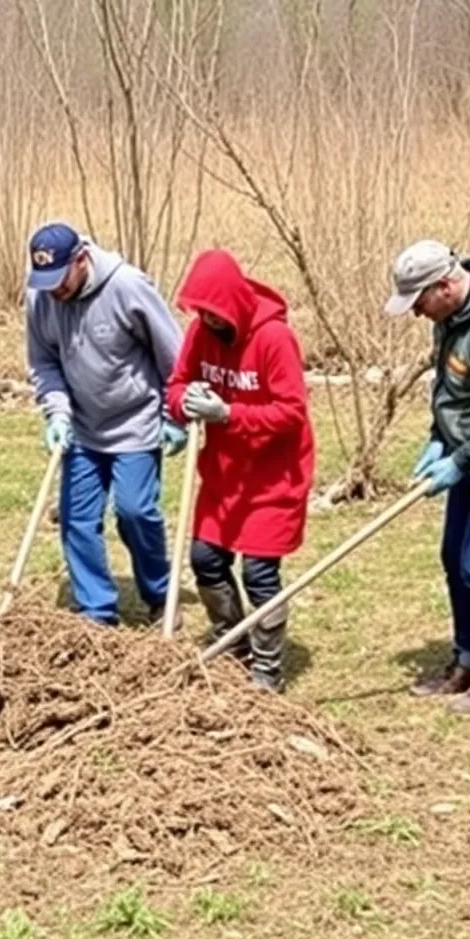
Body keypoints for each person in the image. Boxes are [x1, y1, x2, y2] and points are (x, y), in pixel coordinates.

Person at [166, 249, 314, 692]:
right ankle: (232, 639)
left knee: (259, 574)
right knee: (205, 559)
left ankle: (267, 668)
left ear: (231, 303)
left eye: (214, 313)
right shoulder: (199, 332)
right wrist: (183, 403)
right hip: (224, 477)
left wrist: (229, 413)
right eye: (200, 313)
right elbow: (176, 384)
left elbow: (291, 412)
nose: (207, 321)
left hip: (273, 478)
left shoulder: (273, 339)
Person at [25, 221, 186, 626]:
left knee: (134, 512)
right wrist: (56, 412)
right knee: (77, 519)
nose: (53, 292)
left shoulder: (128, 286)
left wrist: (175, 414)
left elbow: (174, 354)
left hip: (136, 420)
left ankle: (159, 594)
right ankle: (97, 609)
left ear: (80, 260)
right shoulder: (41, 297)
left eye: (60, 281)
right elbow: (43, 361)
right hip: (81, 426)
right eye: (45, 282)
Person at [386, 240, 470, 715]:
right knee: (453, 557)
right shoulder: (449, 318)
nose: (417, 314)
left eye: (419, 302)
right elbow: (452, 390)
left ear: (446, 285)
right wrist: (439, 437)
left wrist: (458, 462)